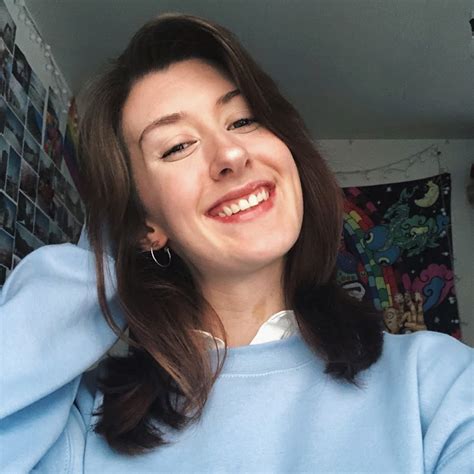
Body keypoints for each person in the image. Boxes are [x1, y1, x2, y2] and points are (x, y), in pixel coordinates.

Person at [0, 13, 472, 473]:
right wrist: (111, 253)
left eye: (243, 120)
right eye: (177, 146)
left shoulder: (436, 382)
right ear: (144, 225)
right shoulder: (87, 422)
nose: (231, 153)